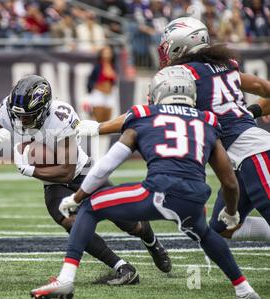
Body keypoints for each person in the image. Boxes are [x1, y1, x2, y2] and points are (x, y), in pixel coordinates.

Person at [31, 66, 261, 299]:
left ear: (158, 94)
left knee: (90, 209)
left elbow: (107, 165)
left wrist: (77, 197)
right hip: (193, 198)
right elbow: (230, 182)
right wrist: (231, 212)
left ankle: (66, 280)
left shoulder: (144, 115)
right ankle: (244, 289)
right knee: (205, 233)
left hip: (157, 193)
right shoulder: (208, 120)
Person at [77, 17, 270, 244]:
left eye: (168, 44)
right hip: (239, 162)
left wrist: (99, 127)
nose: (165, 50)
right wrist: (251, 111)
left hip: (253, 153)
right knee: (222, 227)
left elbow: (145, 114)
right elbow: (263, 87)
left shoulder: (183, 74)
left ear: (182, 44)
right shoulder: (225, 66)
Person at [0, 75, 172, 286]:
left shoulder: (61, 117)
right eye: (18, 116)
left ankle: (152, 243)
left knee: (130, 224)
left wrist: (30, 169)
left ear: (43, 110)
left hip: (81, 172)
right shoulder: (7, 110)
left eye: (28, 116)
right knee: (71, 222)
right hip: (53, 184)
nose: (21, 121)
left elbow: (66, 172)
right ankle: (122, 268)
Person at [85, 46, 118, 161]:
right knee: (97, 126)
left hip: (109, 96)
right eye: (105, 52)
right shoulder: (97, 67)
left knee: (107, 126)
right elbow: (90, 82)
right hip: (98, 95)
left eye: (109, 52)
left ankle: (104, 155)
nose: (107, 54)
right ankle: (95, 156)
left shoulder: (113, 67)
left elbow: (113, 82)